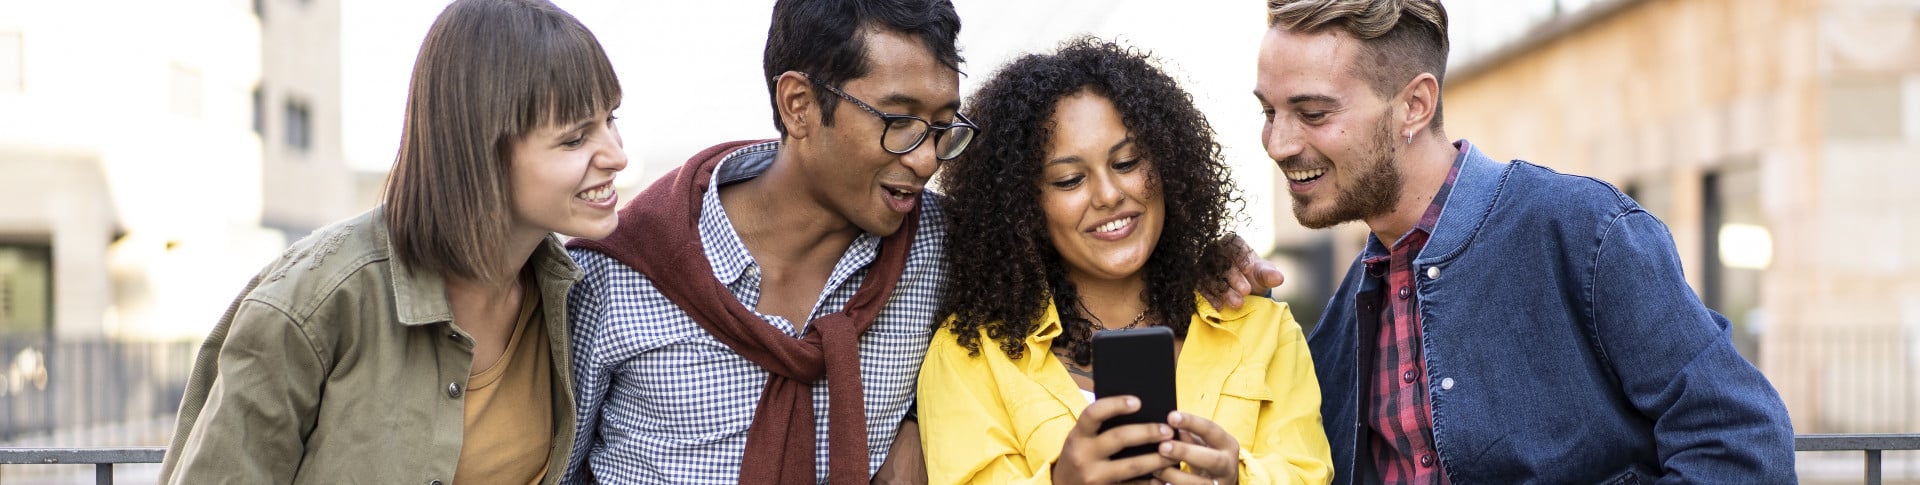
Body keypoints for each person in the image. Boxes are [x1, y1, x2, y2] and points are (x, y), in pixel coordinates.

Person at [562, 1, 1285, 483]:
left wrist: (1207, 254)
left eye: (943, 124)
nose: (926, 157)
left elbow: (1093, 240)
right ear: (799, 104)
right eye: (900, 120)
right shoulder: (611, 278)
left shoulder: (943, 252)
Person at [1253, 0, 1797, 483]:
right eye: (1269, 111)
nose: (1278, 143)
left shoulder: (1586, 233)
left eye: (1313, 113)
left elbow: (1744, 448)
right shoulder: (1347, 310)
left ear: (1415, 105)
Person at [156, 0, 628, 483]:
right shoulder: (315, 301)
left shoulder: (577, 295)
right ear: (481, 149)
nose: (618, 156)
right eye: (574, 139)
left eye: (611, 119)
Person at [916, 38, 1333, 485]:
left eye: (1127, 161)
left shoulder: (1264, 332)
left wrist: (1238, 479)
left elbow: (1308, 472)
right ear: (1023, 206)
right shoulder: (971, 357)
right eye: (1070, 179)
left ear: (1169, 164)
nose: (1110, 195)